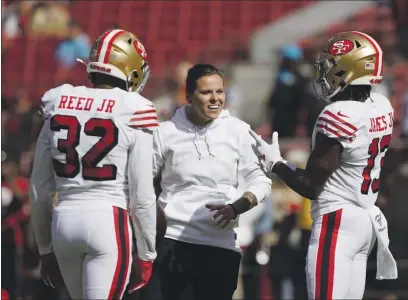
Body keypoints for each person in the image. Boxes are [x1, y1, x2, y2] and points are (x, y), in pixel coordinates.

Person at [251, 31, 398, 299]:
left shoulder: (338, 114)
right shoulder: (382, 106)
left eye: (332, 65)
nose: (325, 73)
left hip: (337, 222)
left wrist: (275, 163)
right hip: (365, 221)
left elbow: (310, 187)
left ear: (349, 68)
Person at [30, 29, 158, 299]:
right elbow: (143, 196)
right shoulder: (132, 106)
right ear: (130, 69)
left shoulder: (58, 100)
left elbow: (39, 190)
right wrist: (147, 254)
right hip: (107, 220)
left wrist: (45, 248)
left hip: (63, 220)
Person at [140, 63, 272, 300]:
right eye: (206, 92)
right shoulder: (164, 132)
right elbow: (141, 180)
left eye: (219, 92)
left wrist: (236, 207)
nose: (215, 99)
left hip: (220, 248)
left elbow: (261, 182)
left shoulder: (239, 131)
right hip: (171, 241)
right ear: (188, 95)